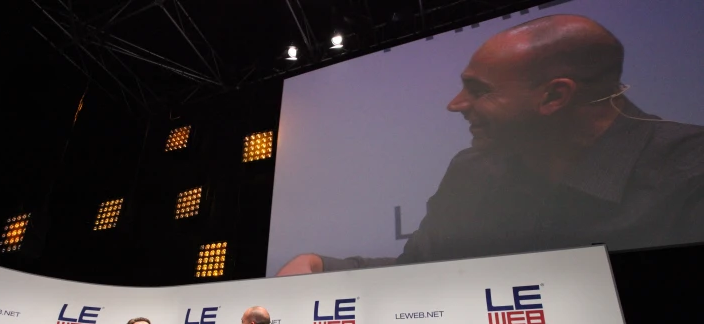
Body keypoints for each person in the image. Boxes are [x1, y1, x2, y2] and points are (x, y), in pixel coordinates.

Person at [276, 14, 704, 276]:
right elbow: (420, 273)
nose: (455, 105)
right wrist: (321, 265)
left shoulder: (690, 175)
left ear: (555, 96)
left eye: (478, 91)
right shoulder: (472, 171)